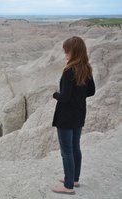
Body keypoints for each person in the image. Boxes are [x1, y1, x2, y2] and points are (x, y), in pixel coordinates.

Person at [51, 36, 95, 195]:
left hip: (66, 116)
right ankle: (74, 179)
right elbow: (91, 91)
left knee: (66, 151)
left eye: (67, 51)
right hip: (79, 114)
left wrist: (55, 94)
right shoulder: (86, 68)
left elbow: (65, 97)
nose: (65, 54)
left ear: (74, 51)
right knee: (75, 147)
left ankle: (68, 186)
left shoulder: (70, 70)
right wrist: (79, 95)